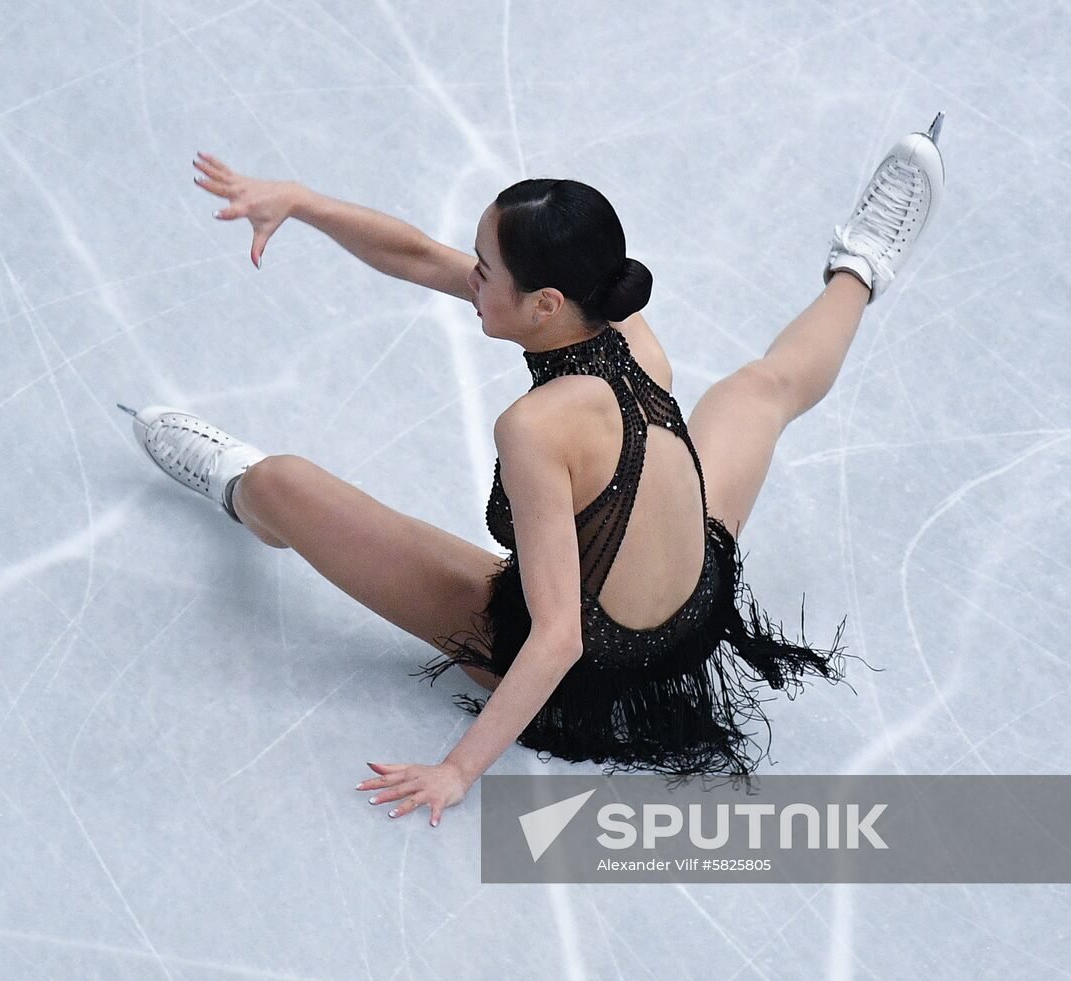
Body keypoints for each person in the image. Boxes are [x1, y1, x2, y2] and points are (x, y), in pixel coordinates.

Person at [118, 113, 946, 827]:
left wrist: (457, 770)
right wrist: (299, 202)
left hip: (596, 677)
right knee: (762, 389)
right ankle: (860, 265)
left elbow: (557, 638)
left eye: (484, 270)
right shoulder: (615, 314)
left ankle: (239, 489)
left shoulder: (536, 429)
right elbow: (416, 256)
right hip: (691, 600)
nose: (466, 274)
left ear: (543, 303)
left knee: (284, 484)